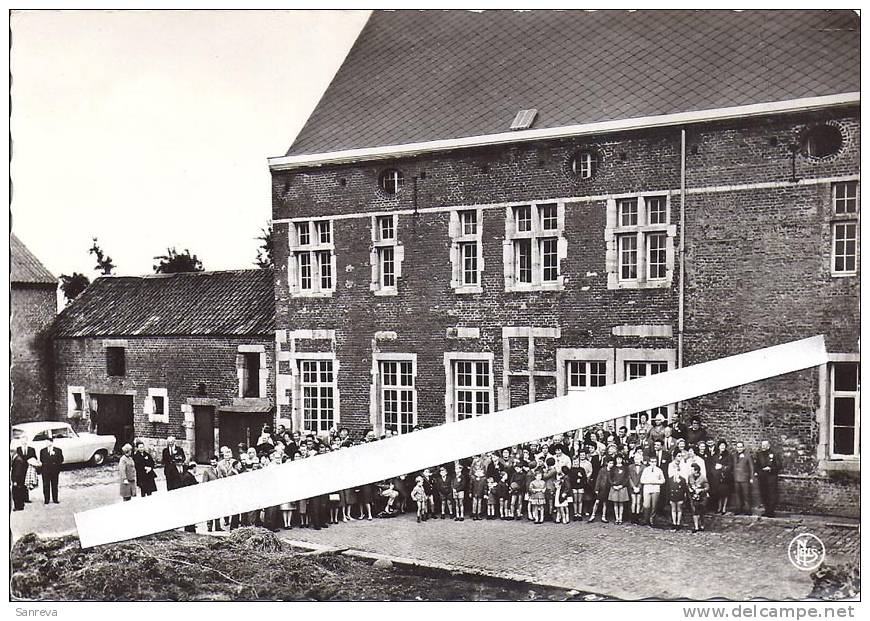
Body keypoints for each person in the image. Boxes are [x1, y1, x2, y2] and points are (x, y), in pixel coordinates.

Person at [754, 440, 780, 517]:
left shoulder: (774, 454)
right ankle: (766, 510)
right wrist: (757, 472)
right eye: (762, 445)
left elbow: (779, 465)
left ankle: (771, 511)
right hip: (762, 477)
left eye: (765, 445)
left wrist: (771, 468)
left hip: (771, 477)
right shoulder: (759, 454)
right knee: (764, 494)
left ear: (768, 445)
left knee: (771, 494)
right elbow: (757, 465)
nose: (763, 447)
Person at [199, 455, 223, 532]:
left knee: (218, 510)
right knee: (210, 510)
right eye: (211, 462)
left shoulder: (220, 469)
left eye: (214, 462)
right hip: (210, 494)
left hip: (218, 493)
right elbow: (204, 484)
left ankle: (218, 526)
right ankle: (209, 526)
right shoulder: (207, 471)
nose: (213, 463)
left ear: (217, 461)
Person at [640, 455, 665, 527]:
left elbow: (663, 480)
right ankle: (646, 519)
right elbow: (642, 480)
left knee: (654, 506)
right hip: (647, 489)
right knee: (646, 505)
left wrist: (655, 482)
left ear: (656, 462)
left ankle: (652, 520)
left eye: (654, 462)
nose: (653, 463)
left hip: (655, 489)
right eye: (652, 462)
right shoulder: (646, 470)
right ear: (649, 462)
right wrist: (650, 481)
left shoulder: (659, 470)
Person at [38, 436, 64, 504]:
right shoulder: (42, 450)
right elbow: (41, 460)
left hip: (54, 471)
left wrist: (55, 464)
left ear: (51, 442)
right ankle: (46, 499)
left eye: (48, 442)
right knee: (46, 485)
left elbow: (61, 460)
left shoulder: (58, 450)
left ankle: (55, 499)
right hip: (45, 471)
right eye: (46, 442)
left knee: (54, 485)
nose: (46, 443)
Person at [732, 441, 755, 515]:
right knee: (738, 495)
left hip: (745, 478)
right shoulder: (734, 455)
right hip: (736, 478)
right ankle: (738, 509)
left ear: (743, 447)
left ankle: (748, 510)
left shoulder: (747, 456)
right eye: (738, 447)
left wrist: (751, 478)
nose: (739, 448)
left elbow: (751, 467)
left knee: (746, 495)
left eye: (740, 447)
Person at [711, 440, 733, 514]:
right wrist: (715, 472)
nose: (722, 447)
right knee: (718, 493)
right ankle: (719, 507)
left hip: (725, 477)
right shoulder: (715, 455)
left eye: (724, 446)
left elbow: (730, 467)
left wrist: (722, 467)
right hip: (717, 478)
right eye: (721, 446)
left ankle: (724, 508)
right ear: (719, 447)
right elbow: (712, 466)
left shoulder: (728, 455)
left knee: (725, 493)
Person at [687, 463, 710, 532]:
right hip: (693, 495)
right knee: (694, 510)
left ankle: (702, 525)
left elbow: (707, 487)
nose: (691, 471)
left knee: (701, 511)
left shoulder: (703, 477)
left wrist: (701, 490)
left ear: (696, 471)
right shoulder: (690, 476)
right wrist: (689, 488)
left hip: (702, 496)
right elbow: (688, 484)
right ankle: (696, 527)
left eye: (692, 470)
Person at [608, 454, 630, 525]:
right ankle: (616, 517)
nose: (619, 460)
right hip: (614, 487)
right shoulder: (613, 468)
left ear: (622, 460)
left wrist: (622, 485)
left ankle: (620, 518)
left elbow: (627, 478)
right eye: (617, 459)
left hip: (622, 488)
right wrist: (613, 485)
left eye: (620, 459)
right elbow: (610, 478)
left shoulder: (625, 468)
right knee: (615, 503)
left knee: (621, 503)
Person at [667, 463, 688, 531]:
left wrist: (683, 498)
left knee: (679, 509)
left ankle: (678, 523)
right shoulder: (670, 479)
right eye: (674, 471)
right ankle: (674, 523)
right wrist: (669, 498)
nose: (676, 472)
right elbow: (668, 489)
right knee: (673, 509)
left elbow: (684, 489)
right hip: (672, 496)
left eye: (677, 471)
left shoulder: (682, 479)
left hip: (679, 496)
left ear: (679, 471)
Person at [628, 451, 645, 524]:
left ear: (641, 459)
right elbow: (629, 478)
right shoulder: (630, 467)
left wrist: (639, 487)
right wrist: (633, 487)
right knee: (633, 501)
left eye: (638, 459)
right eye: (635, 458)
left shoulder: (644, 467)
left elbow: (643, 478)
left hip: (640, 487)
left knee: (638, 502)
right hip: (632, 486)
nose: (636, 460)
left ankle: (637, 517)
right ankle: (632, 516)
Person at [10, 444, 29, 511]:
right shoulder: (18, 458)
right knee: (18, 492)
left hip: (17, 480)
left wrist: (15, 481)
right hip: (19, 480)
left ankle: (18, 506)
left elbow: (17, 472)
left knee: (16, 493)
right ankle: (20, 506)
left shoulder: (18, 460)